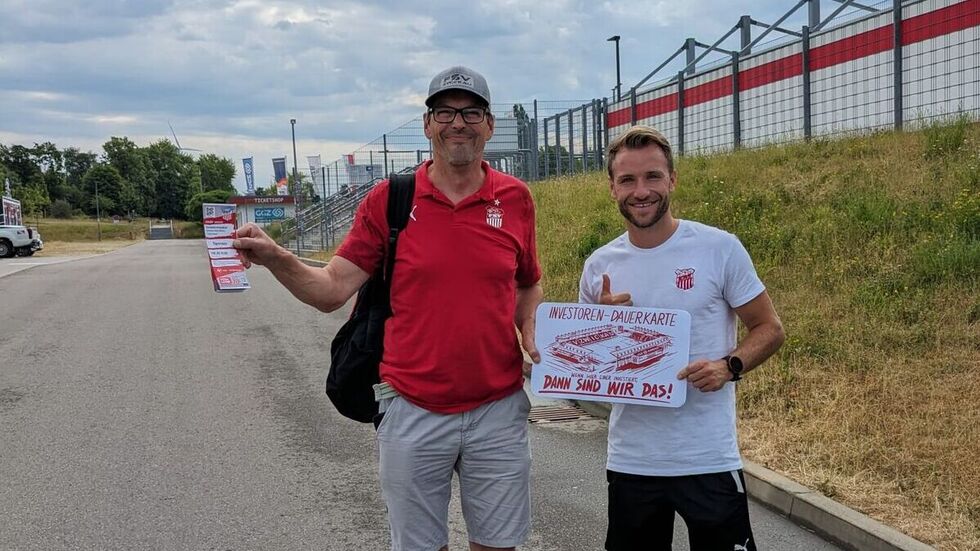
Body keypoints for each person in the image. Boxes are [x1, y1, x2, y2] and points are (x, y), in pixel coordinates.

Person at [234, 65, 543, 551]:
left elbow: (529, 283)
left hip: (497, 409)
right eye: (445, 112)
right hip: (412, 407)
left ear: (489, 125)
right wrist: (277, 258)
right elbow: (332, 288)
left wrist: (528, 326)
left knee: (499, 545)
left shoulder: (516, 199)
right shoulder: (390, 200)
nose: (457, 124)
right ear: (427, 124)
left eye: (470, 113)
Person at [578, 126, 785, 551]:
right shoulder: (600, 265)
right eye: (628, 180)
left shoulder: (718, 249)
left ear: (672, 179)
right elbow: (588, 366)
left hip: (706, 457)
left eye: (652, 177)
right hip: (632, 459)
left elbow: (769, 328)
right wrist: (602, 328)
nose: (641, 191)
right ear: (612, 188)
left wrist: (729, 366)